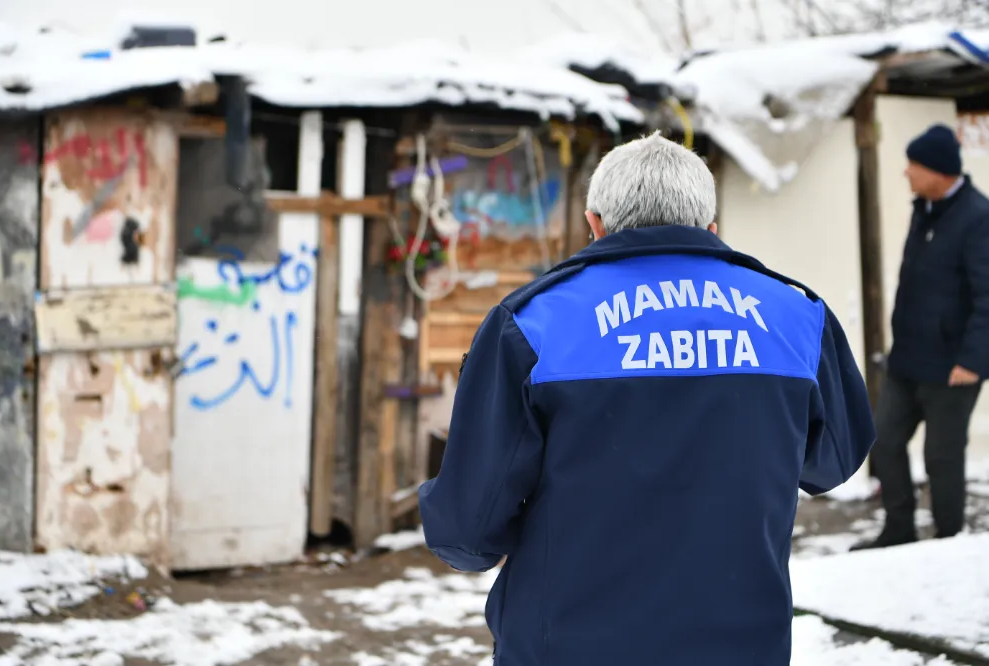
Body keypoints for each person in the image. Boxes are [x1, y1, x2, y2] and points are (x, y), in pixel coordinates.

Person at [418, 132, 875, 665]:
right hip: (741, 643)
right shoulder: (799, 317)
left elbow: (469, 529)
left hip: (569, 643)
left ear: (595, 224)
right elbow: (833, 461)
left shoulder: (533, 323)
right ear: (711, 228)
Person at [852, 124, 989, 551]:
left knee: (941, 459)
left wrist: (973, 360)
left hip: (953, 367)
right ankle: (899, 530)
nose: (906, 173)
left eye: (913, 165)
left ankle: (948, 543)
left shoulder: (978, 218)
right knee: (884, 440)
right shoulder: (924, 209)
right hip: (908, 360)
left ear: (939, 170)